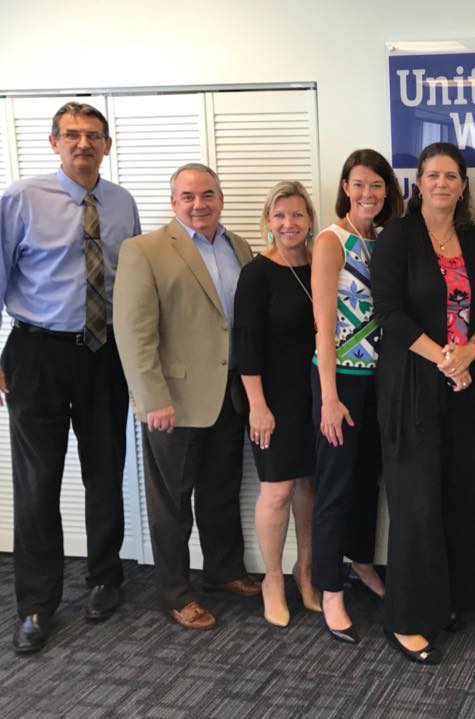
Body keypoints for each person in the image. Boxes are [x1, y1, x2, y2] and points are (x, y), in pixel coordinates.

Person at [0, 102, 141, 654]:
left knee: (106, 472)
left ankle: (106, 577)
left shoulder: (123, 203)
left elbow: (132, 283)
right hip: (38, 353)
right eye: (72, 135)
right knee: (37, 485)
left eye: (93, 136)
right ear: (54, 141)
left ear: (108, 145)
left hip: (105, 355)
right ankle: (37, 603)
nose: (83, 144)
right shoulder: (20, 199)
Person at [114, 163, 260, 631]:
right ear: (173, 202)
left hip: (230, 394)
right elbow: (133, 332)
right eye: (188, 197)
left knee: (220, 493)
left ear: (221, 198)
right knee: (171, 504)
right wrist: (151, 396)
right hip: (172, 402)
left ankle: (223, 571)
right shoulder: (145, 250)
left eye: (208, 195)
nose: (199, 204)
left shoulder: (239, 246)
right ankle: (176, 593)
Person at [370, 142, 475, 664]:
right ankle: (406, 620)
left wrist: (471, 350)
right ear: (417, 182)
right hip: (411, 388)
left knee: (458, 497)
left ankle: (448, 601)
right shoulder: (396, 237)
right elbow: (389, 315)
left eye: (451, 175)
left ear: (463, 185)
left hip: (463, 385)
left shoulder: (473, 238)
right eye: (432, 175)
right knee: (416, 504)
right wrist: (444, 357)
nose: (441, 183)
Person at [310, 149, 403, 643]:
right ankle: (330, 588)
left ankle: (363, 563)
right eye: (360, 184)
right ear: (346, 186)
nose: (369, 194)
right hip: (340, 380)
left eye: (378, 186)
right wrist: (328, 397)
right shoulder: (332, 241)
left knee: (370, 480)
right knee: (337, 486)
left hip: (379, 380)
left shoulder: (383, 240)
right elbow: (323, 326)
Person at [233, 180, 320, 627]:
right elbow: (244, 345)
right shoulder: (257, 272)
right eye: (280, 215)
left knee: (308, 485)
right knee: (278, 489)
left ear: (310, 221)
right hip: (271, 397)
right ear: (268, 222)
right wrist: (257, 406)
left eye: (298, 214)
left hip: (315, 394)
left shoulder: (320, 264)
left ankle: (305, 572)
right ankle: (271, 579)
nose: (289, 223)